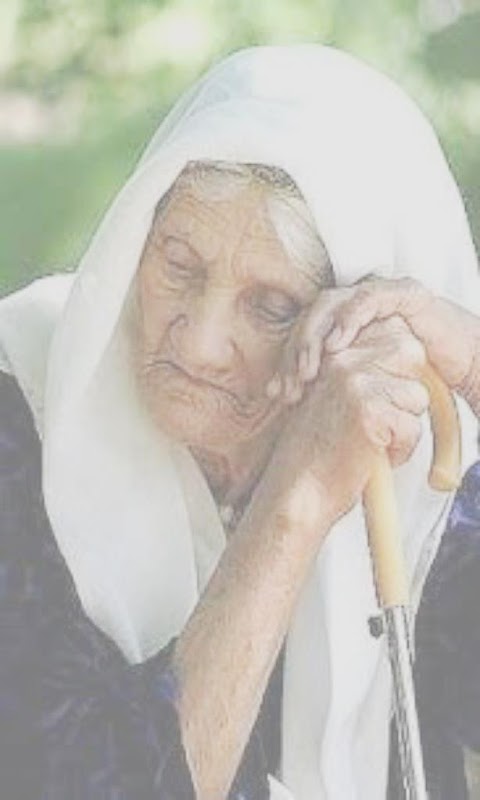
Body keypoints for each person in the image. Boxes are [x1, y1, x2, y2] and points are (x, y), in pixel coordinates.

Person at [0, 45, 479, 800]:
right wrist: (299, 497)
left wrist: (474, 365)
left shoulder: (414, 470)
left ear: (355, 326)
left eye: (273, 307)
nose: (199, 342)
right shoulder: (22, 419)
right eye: (178, 265)